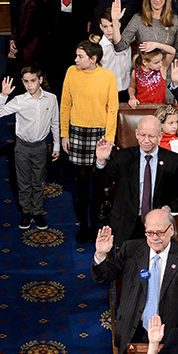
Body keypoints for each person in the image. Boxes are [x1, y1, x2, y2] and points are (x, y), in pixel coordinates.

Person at [92, 210, 178, 350]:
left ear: (171, 229)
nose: (154, 238)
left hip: (168, 333)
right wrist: (101, 254)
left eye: (160, 233)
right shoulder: (130, 249)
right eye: (149, 233)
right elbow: (102, 277)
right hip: (132, 330)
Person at [60, 40, 118, 243]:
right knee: (82, 183)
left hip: (100, 135)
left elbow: (112, 109)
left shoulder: (108, 77)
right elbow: (65, 104)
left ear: (93, 59)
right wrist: (64, 134)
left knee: (99, 182)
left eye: (80, 57)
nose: (75, 60)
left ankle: (95, 224)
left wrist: (109, 139)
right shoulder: (71, 72)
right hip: (77, 131)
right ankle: (84, 226)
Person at [97, 116, 178, 246]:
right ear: (136, 134)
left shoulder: (173, 160)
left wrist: (168, 208)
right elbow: (102, 184)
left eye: (151, 136)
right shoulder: (122, 157)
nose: (146, 140)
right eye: (142, 135)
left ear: (160, 136)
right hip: (125, 224)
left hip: (157, 227)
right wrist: (101, 161)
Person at [0, 67, 59, 230]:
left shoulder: (51, 99)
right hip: (22, 147)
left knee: (38, 181)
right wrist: (3, 95)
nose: (29, 85)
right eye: (25, 81)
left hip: (40, 147)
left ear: (40, 80)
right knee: (23, 182)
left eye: (33, 81)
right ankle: (26, 212)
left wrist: (56, 145)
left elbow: (55, 123)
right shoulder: (19, 100)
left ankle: (37, 212)